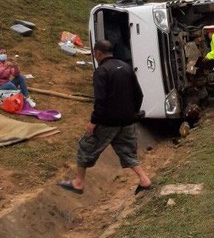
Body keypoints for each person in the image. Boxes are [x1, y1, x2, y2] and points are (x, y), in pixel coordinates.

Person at [59, 39, 152, 195]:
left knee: (85, 147)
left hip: (108, 122)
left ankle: (78, 182)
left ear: (98, 53)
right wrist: (132, 113)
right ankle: (144, 180)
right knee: (126, 151)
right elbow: (139, 94)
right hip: (128, 121)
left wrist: (93, 122)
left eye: (95, 54)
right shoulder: (126, 67)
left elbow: (100, 101)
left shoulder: (101, 72)